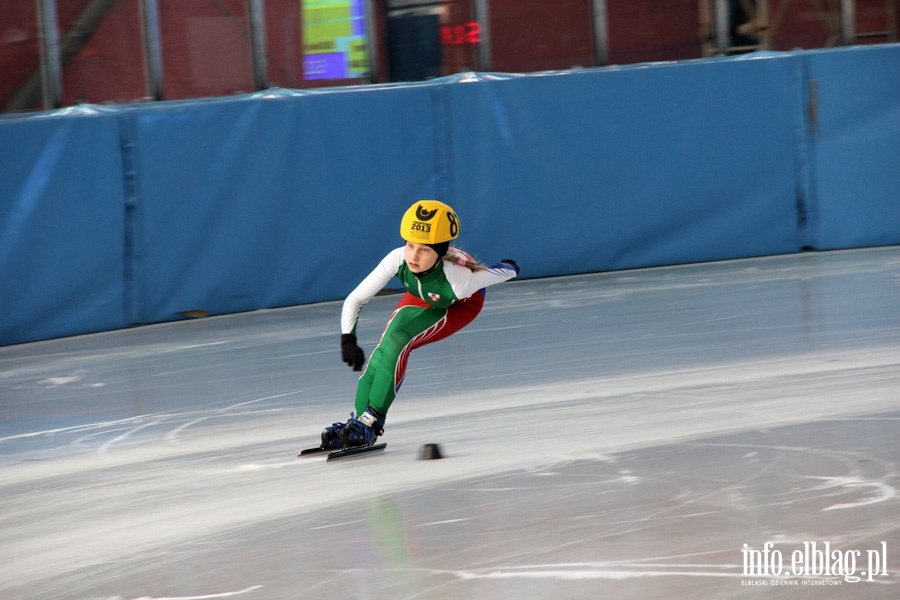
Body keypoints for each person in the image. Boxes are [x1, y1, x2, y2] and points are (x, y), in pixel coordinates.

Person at [321, 200, 520, 449]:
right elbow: (357, 298)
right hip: (423, 291)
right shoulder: (399, 259)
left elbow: (492, 275)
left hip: (457, 306)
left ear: (439, 252)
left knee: (399, 340)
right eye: (410, 245)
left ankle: (372, 421)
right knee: (385, 344)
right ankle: (360, 421)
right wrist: (347, 338)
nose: (413, 255)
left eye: (424, 249)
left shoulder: (457, 281)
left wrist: (510, 268)